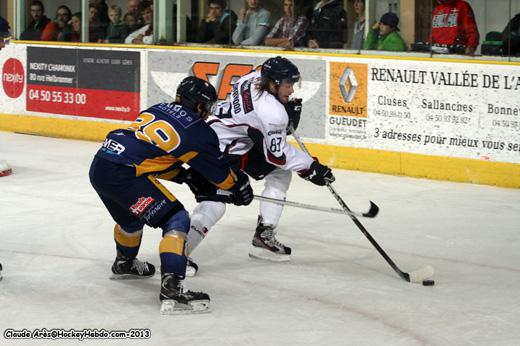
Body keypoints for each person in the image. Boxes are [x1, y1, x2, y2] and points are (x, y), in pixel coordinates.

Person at [89, 76, 254, 314]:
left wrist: (186, 177)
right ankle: (173, 288)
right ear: (199, 106)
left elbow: (154, 159)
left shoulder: (156, 109)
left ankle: (125, 263)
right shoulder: (199, 130)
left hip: (101, 165)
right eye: (206, 107)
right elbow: (219, 175)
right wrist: (238, 186)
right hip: (125, 174)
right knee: (176, 219)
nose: (207, 113)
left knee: (131, 218)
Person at [184, 56, 335, 268]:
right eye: (288, 85)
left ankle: (264, 235)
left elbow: (266, 140)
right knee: (215, 204)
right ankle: (178, 254)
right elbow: (278, 155)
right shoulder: (271, 112)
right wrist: (311, 167)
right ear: (273, 83)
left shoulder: (255, 76)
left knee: (279, 173)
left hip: (235, 136)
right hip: (217, 148)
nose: (292, 90)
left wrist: (283, 118)